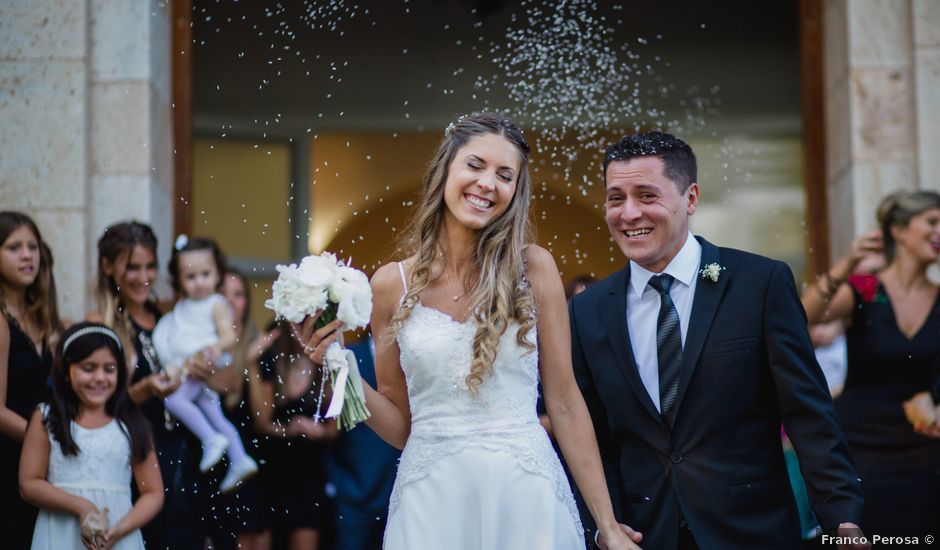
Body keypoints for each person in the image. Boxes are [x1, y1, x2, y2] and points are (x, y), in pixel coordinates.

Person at [294, 113, 640, 550]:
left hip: (524, 493)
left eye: (504, 175)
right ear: (446, 171)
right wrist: (337, 364)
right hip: (430, 499)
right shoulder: (390, 285)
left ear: (516, 191)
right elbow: (401, 425)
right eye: (475, 165)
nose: (487, 184)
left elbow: (566, 402)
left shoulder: (533, 268)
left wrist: (606, 523)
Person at [569, 131, 866, 549]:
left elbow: (807, 413)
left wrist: (843, 520)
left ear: (690, 198)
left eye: (646, 195)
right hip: (642, 534)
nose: (629, 213)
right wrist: (605, 527)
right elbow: (593, 435)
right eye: (615, 198)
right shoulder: (587, 311)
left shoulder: (760, 284)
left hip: (752, 530)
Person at [801, 190, 940, 538]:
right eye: (933, 222)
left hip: (924, 455)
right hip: (859, 452)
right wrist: (846, 264)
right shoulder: (865, 287)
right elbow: (800, 318)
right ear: (900, 230)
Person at [90, 221, 207, 549]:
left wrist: (203, 368)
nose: (144, 277)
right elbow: (93, 407)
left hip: (186, 451)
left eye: (150, 266)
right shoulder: (100, 324)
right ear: (108, 267)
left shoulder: (169, 318)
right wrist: (146, 389)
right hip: (140, 459)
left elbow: (224, 381)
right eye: (133, 267)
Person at [19, 323, 163, 550]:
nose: (100, 377)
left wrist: (120, 530)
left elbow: (152, 492)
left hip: (118, 535)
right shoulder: (47, 417)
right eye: (89, 368)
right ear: (67, 371)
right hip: (60, 534)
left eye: (109, 368)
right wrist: (81, 506)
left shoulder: (132, 423)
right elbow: (29, 483)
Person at [152, 236, 258, 493]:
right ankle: (239, 458)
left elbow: (229, 335)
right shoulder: (184, 307)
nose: (199, 282)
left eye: (206, 274)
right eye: (191, 277)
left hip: (206, 360)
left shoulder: (216, 304)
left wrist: (216, 348)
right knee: (213, 413)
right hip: (193, 364)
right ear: (179, 280)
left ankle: (210, 439)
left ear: (217, 274)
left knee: (174, 401)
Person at [0, 211, 57, 549]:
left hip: (36, 458)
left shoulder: (39, 317)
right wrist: (49, 445)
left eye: (32, 247)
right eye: (14, 247)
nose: (27, 255)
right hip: (8, 457)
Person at [252, 325, 337, 550]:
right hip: (272, 470)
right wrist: (288, 429)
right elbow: (261, 423)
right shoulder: (273, 359)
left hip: (309, 474)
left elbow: (334, 429)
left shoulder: (330, 365)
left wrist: (320, 432)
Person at [214, 269, 278, 550]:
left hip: (251, 458)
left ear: (247, 302)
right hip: (213, 463)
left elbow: (263, 416)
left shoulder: (260, 345)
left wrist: (251, 361)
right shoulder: (204, 345)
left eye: (238, 295)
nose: (230, 302)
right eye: (223, 295)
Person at [324, 333, 400, 550]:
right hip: (355, 488)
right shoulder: (349, 355)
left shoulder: (411, 356)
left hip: (399, 485)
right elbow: (333, 421)